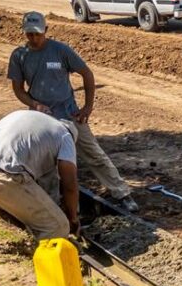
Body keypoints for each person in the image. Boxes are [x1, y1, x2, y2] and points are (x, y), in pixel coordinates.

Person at [8, 11, 139, 213]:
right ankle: (53, 205)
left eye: (37, 34)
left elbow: (87, 74)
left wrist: (88, 106)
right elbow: (18, 89)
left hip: (70, 114)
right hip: (42, 120)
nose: (33, 38)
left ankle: (122, 193)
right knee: (47, 164)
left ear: (46, 30)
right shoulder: (19, 56)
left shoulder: (60, 51)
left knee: (94, 154)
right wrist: (34, 104)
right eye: (29, 34)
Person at [0, 110, 80, 240]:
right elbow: (70, 186)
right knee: (57, 226)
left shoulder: (32, 120)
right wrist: (73, 218)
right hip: (2, 176)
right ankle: (44, 259)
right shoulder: (66, 136)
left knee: (27, 222)